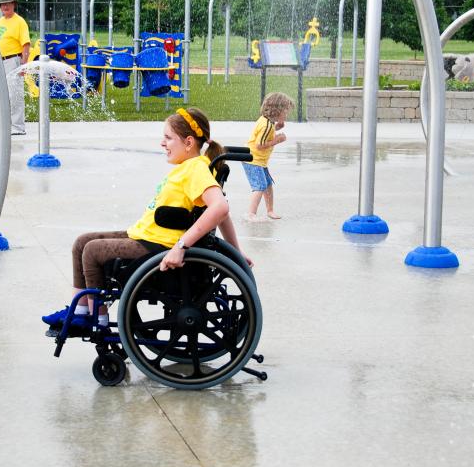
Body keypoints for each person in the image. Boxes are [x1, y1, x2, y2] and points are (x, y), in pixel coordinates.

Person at [41, 108, 250, 332]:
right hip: (148, 236)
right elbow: (223, 213)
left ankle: (96, 319)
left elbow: (219, 207)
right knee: (82, 242)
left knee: (92, 250)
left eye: (168, 138)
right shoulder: (188, 168)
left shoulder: (195, 169)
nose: (162, 143)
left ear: (188, 142)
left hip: (159, 245)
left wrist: (181, 246)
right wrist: (235, 252)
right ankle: (81, 311)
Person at [243, 92, 293, 220]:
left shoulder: (268, 122)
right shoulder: (265, 125)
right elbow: (260, 144)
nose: (287, 115)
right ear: (277, 111)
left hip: (259, 161)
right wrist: (277, 140)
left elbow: (267, 133)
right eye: (285, 111)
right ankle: (251, 214)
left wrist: (276, 127)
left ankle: (270, 211)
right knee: (259, 187)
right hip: (253, 160)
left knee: (268, 185)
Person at [0, 0, 31, 135]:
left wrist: (23, 64)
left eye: (8, 4)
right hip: (0, 61)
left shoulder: (19, 22)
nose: (5, 7)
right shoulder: (0, 21)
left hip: (13, 60)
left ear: (13, 5)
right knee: (2, 93)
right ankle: (5, 125)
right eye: (3, 5)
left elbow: (26, 44)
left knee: (14, 94)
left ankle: (18, 126)